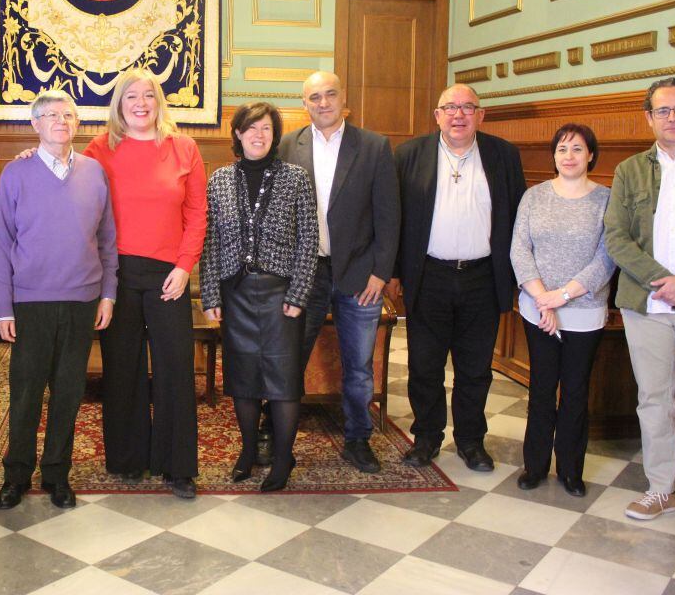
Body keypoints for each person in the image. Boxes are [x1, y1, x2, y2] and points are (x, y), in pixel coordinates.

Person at [603, 77, 675, 548]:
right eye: (662, 111)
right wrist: (666, 284)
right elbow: (616, 237)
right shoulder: (630, 170)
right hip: (647, 306)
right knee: (653, 400)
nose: (672, 118)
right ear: (648, 117)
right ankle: (660, 490)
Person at [388, 83, 526, 471]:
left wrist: (515, 278)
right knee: (424, 365)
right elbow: (395, 219)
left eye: (468, 107)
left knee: (475, 368)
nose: (458, 115)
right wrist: (395, 272)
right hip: (428, 276)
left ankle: (471, 441)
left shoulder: (503, 156)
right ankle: (427, 438)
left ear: (481, 115)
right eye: (449, 107)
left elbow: (517, 219)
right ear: (437, 115)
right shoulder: (410, 155)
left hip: (482, 278)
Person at [85, 69, 207, 499]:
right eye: (131, 96)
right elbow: (71, 187)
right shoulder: (99, 150)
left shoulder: (184, 148)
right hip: (115, 273)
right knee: (123, 369)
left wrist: (184, 267)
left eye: (148, 96)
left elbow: (196, 216)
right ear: (118, 104)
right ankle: (128, 458)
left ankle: (178, 467)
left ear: (159, 102)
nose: (140, 103)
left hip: (168, 275)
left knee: (175, 368)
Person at [0, 90, 117, 510]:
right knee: (25, 392)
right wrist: (3, 306)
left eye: (67, 114)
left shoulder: (95, 172)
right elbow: (3, 243)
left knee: (68, 391)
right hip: (30, 303)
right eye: (50, 115)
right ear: (36, 125)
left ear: (77, 123)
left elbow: (108, 240)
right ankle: (16, 476)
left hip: (82, 300)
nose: (60, 120)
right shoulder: (16, 173)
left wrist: (108, 294)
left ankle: (57, 474)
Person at [278, 71, 400, 473]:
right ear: (305, 104)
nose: (323, 103)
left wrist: (381, 274)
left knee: (359, 367)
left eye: (330, 94)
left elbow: (388, 214)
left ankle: (358, 439)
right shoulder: (287, 146)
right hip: (304, 275)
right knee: (289, 357)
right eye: (314, 97)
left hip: (359, 277)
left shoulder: (373, 146)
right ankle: (279, 438)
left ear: (343, 98)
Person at [200, 102, 318, 491]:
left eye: (266, 128)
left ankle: (282, 459)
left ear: (275, 134)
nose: (258, 135)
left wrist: (299, 294)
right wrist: (211, 293)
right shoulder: (218, 180)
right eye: (251, 128)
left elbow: (308, 241)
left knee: (284, 382)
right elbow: (211, 240)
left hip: (281, 296)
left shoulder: (296, 178)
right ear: (237, 133)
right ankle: (248, 452)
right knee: (243, 379)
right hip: (235, 294)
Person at [509, 123, 614, 497]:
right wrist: (542, 298)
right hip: (537, 309)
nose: (568, 156)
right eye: (562, 150)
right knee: (540, 389)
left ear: (590, 155)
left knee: (574, 392)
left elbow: (606, 258)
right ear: (553, 156)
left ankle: (570, 469)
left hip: (583, 312)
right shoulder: (534, 197)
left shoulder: (605, 199)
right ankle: (535, 466)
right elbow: (519, 250)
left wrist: (561, 297)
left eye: (577, 149)